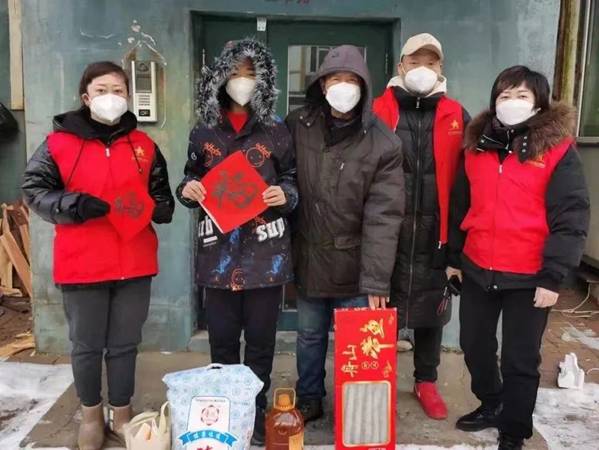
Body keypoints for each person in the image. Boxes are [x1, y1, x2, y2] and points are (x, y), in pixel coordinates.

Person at [22, 61, 174, 450]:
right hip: (82, 262)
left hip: (134, 260)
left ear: (129, 97)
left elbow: (160, 194)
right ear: (86, 97)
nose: (111, 97)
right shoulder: (58, 144)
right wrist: (71, 204)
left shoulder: (143, 146)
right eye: (102, 90)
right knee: (86, 345)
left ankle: (121, 414)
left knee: (125, 343)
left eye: (119, 90)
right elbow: (34, 190)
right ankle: (91, 415)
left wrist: (159, 207)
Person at [448, 65, 590, 450]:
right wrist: (453, 258)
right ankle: (492, 402)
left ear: (538, 104)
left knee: (520, 359)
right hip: (478, 266)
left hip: (530, 275)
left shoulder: (556, 150)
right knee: (475, 346)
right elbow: (461, 204)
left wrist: (553, 276)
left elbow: (571, 215)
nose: (512, 102)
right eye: (505, 95)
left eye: (522, 96)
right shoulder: (476, 147)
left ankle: (513, 431)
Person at [176, 38, 298, 445]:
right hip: (218, 256)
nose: (242, 81)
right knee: (223, 342)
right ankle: (228, 413)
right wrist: (188, 189)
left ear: (264, 79)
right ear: (220, 77)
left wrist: (286, 195)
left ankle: (256, 411)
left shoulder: (277, 129)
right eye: (234, 72)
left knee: (261, 345)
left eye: (250, 73)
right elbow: (190, 176)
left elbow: (292, 178)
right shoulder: (204, 130)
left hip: (266, 256)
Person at [286, 45, 405, 423]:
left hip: (355, 266)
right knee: (309, 337)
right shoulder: (298, 125)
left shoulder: (383, 142)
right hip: (310, 256)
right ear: (322, 85)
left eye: (351, 80)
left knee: (355, 344)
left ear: (364, 87)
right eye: (335, 79)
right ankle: (309, 397)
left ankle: (356, 411)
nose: (342, 86)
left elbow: (384, 216)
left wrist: (376, 281)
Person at [372, 33, 470, 420]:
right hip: (389, 233)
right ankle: (377, 381)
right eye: (415, 62)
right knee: (382, 310)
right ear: (401, 66)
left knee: (433, 308)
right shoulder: (377, 110)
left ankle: (426, 381)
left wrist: (459, 243)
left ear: (441, 69)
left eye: (431, 63)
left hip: (436, 232)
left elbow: (468, 178)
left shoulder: (456, 115)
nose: (422, 69)